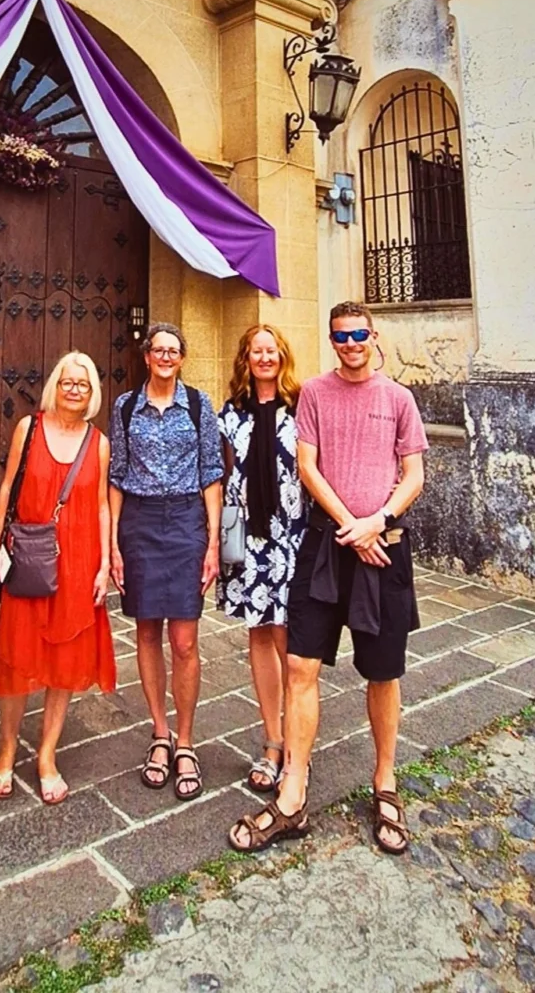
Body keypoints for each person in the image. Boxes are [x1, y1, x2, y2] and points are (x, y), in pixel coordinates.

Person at [228, 302, 427, 855]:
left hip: (384, 550)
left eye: (359, 333)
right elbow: (308, 466)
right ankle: (292, 794)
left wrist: (377, 523)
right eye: (341, 336)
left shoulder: (399, 400)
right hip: (326, 546)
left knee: (383, 672)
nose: (351, 343)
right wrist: (350, 525)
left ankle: (385, 782)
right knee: (300, 665)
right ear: (332, 340)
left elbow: (414, 473)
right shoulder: (314, 392)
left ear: (373, 335)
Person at [0, 352, 117, 805]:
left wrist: (103, 564)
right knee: (18, 657)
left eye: (83, 382)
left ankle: (46, 755)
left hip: (79, 561)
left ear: (92, 392)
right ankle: (6, 749)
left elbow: (101, 505)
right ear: (55, 385)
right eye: (67, 380)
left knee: (64, 661)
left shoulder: (97, 442)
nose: (75, 388)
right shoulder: (30, 428)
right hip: (30, 557)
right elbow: (7, 487)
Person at [109, 322, 225, 801]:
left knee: (184, 638)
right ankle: (159, 733)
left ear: (182, 357)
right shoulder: (125, 406)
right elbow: (116, 473)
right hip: (137, 522)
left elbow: (211, 474)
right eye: (157, 349)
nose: (164, 356)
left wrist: (213, 542)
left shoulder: (199, 406)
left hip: (184, 523)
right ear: (146, 355)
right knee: (146, 631)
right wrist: (113, 541)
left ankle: (187, 741)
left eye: (173, 350)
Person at [217, 325, 305, 792]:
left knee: (290, 642)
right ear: (246, 359)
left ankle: (297, 740)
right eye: (257, 351)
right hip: (250, 541)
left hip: (292, 539)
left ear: (282, 357)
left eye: (272, 350)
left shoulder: (302, 409)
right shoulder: (230, 415)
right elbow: (219, 473)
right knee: (259, 633)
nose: (265, 357)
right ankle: (272, 739)